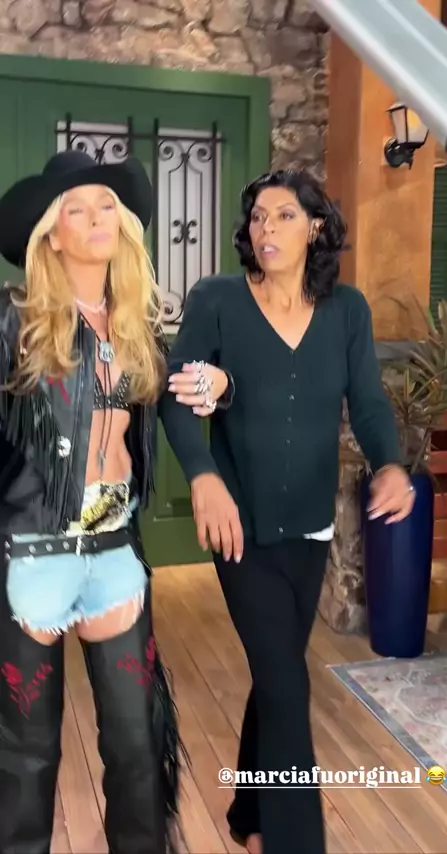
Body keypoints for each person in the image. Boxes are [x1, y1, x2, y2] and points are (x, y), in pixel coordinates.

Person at [159, 169, 415, 854]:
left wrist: (390, 463)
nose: (266, 228)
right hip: (239, 528)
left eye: (284, 216)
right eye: (258, 217)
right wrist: (204, 476)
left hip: (311, 527)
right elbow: (177, 399)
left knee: (277, 675)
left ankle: (250, 810)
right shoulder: (217, 300)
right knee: (286, 681)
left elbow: (367, 401)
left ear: (317, 228)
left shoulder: (347, 310)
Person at [0, 149, 231, 854]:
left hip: (113, 552)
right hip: (33, 551)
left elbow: (179, 404)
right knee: (25, 756)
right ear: (51, 234)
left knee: (137, 746)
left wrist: (218, 387)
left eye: (107, 205)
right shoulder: (14, 323)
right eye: (76, 209)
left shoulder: (138, 327)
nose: (97, 217)